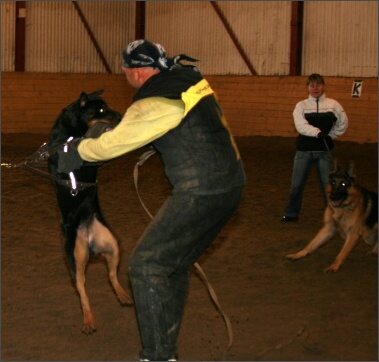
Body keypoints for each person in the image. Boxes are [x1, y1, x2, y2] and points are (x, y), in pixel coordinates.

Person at [56, 39, 246, 361]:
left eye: (126, 71)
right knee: (173, 264)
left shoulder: (155, 99)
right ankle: (165, 350)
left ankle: (157, 356)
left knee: (145, 264)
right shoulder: (187, 81)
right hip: (230, 184)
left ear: (139, 72)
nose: (126, 77)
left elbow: (113, 144)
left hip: (202, 190)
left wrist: (77, 151)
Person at [281, 73, 348, 222]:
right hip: (303, 152)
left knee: (328, 187)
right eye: (312, 85)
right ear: (308, 88)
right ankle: (291, 213)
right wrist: (319, 133)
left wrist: (330, 135)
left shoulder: (333, 105)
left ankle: (332, 216)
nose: (315, 88)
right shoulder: (301, 106)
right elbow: (301, 126)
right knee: (296, 185)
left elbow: (343, 123)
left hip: (324, 152)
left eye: (318, 85)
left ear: (323, 86)